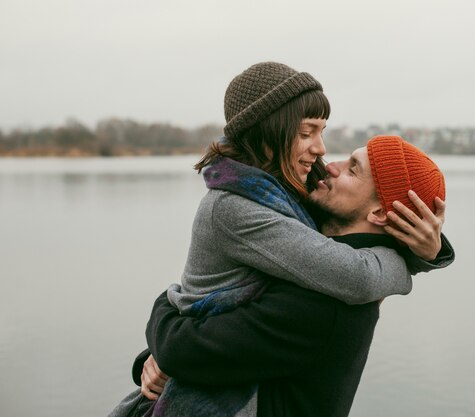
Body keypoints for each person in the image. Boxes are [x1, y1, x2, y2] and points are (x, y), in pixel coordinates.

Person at [108, 61, 452, 416]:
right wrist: (420, 255)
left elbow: (362, 262)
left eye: (323, 133)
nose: (324, 155)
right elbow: (360, 266)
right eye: (307, 132)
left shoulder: (320, 272)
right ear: (269, 134)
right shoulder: (256, 205)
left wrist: (163, 313)